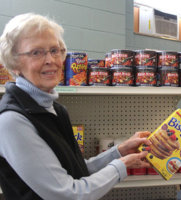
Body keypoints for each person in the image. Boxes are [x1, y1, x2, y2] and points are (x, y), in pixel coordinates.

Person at [0, 13, 151, 200]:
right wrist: (121, 167)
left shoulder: (54, 109)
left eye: (55, 50)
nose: (50, 60)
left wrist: (118, 152)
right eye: (36, 52)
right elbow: (67, 194)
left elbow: (74, 171)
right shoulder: (12, 121)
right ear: (14, 63)